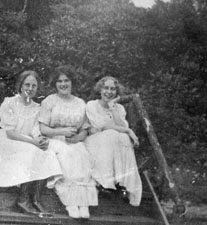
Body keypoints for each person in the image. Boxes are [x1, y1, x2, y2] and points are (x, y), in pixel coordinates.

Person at [0, 71, 62, 216]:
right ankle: (23, 199)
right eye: (27, 84)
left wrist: (40, 140)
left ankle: (35, 199)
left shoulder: (37, 108)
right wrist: (33, 142)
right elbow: (10, 133)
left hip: (27, 141)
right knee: (30, 150)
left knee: (47, 152)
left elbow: (35, 131)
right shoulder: (9, 102)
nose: (30, 88)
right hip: (7, 141)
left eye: (34, 86)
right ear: (20, 86)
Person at [38, 65, 98, 219]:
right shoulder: (49, 101)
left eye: (66, 80)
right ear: (55, 84)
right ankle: (70, 203)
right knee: (66, 155)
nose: (63, 84)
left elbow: (85, 128)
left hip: (74, 140)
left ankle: (83, 204)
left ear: (72, 83)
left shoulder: (80, 103)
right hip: (54, 139)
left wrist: (78, 138)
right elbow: (43, 128)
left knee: (82, 155)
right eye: (59, 81)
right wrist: (61, 132)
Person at [85, 76, 143, 206]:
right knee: (112, 134)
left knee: (122, 137)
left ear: (116, 92)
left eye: (112, 89)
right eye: (106, 88)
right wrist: (128, 131)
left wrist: (112, 108)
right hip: (95, 142)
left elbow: (122, 127)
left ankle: (122, 183)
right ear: (100, 89)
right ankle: (104, 182)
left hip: (112, 142)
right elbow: (103, 126)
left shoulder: (119, 108)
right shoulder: (92, 105)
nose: (109, 92)